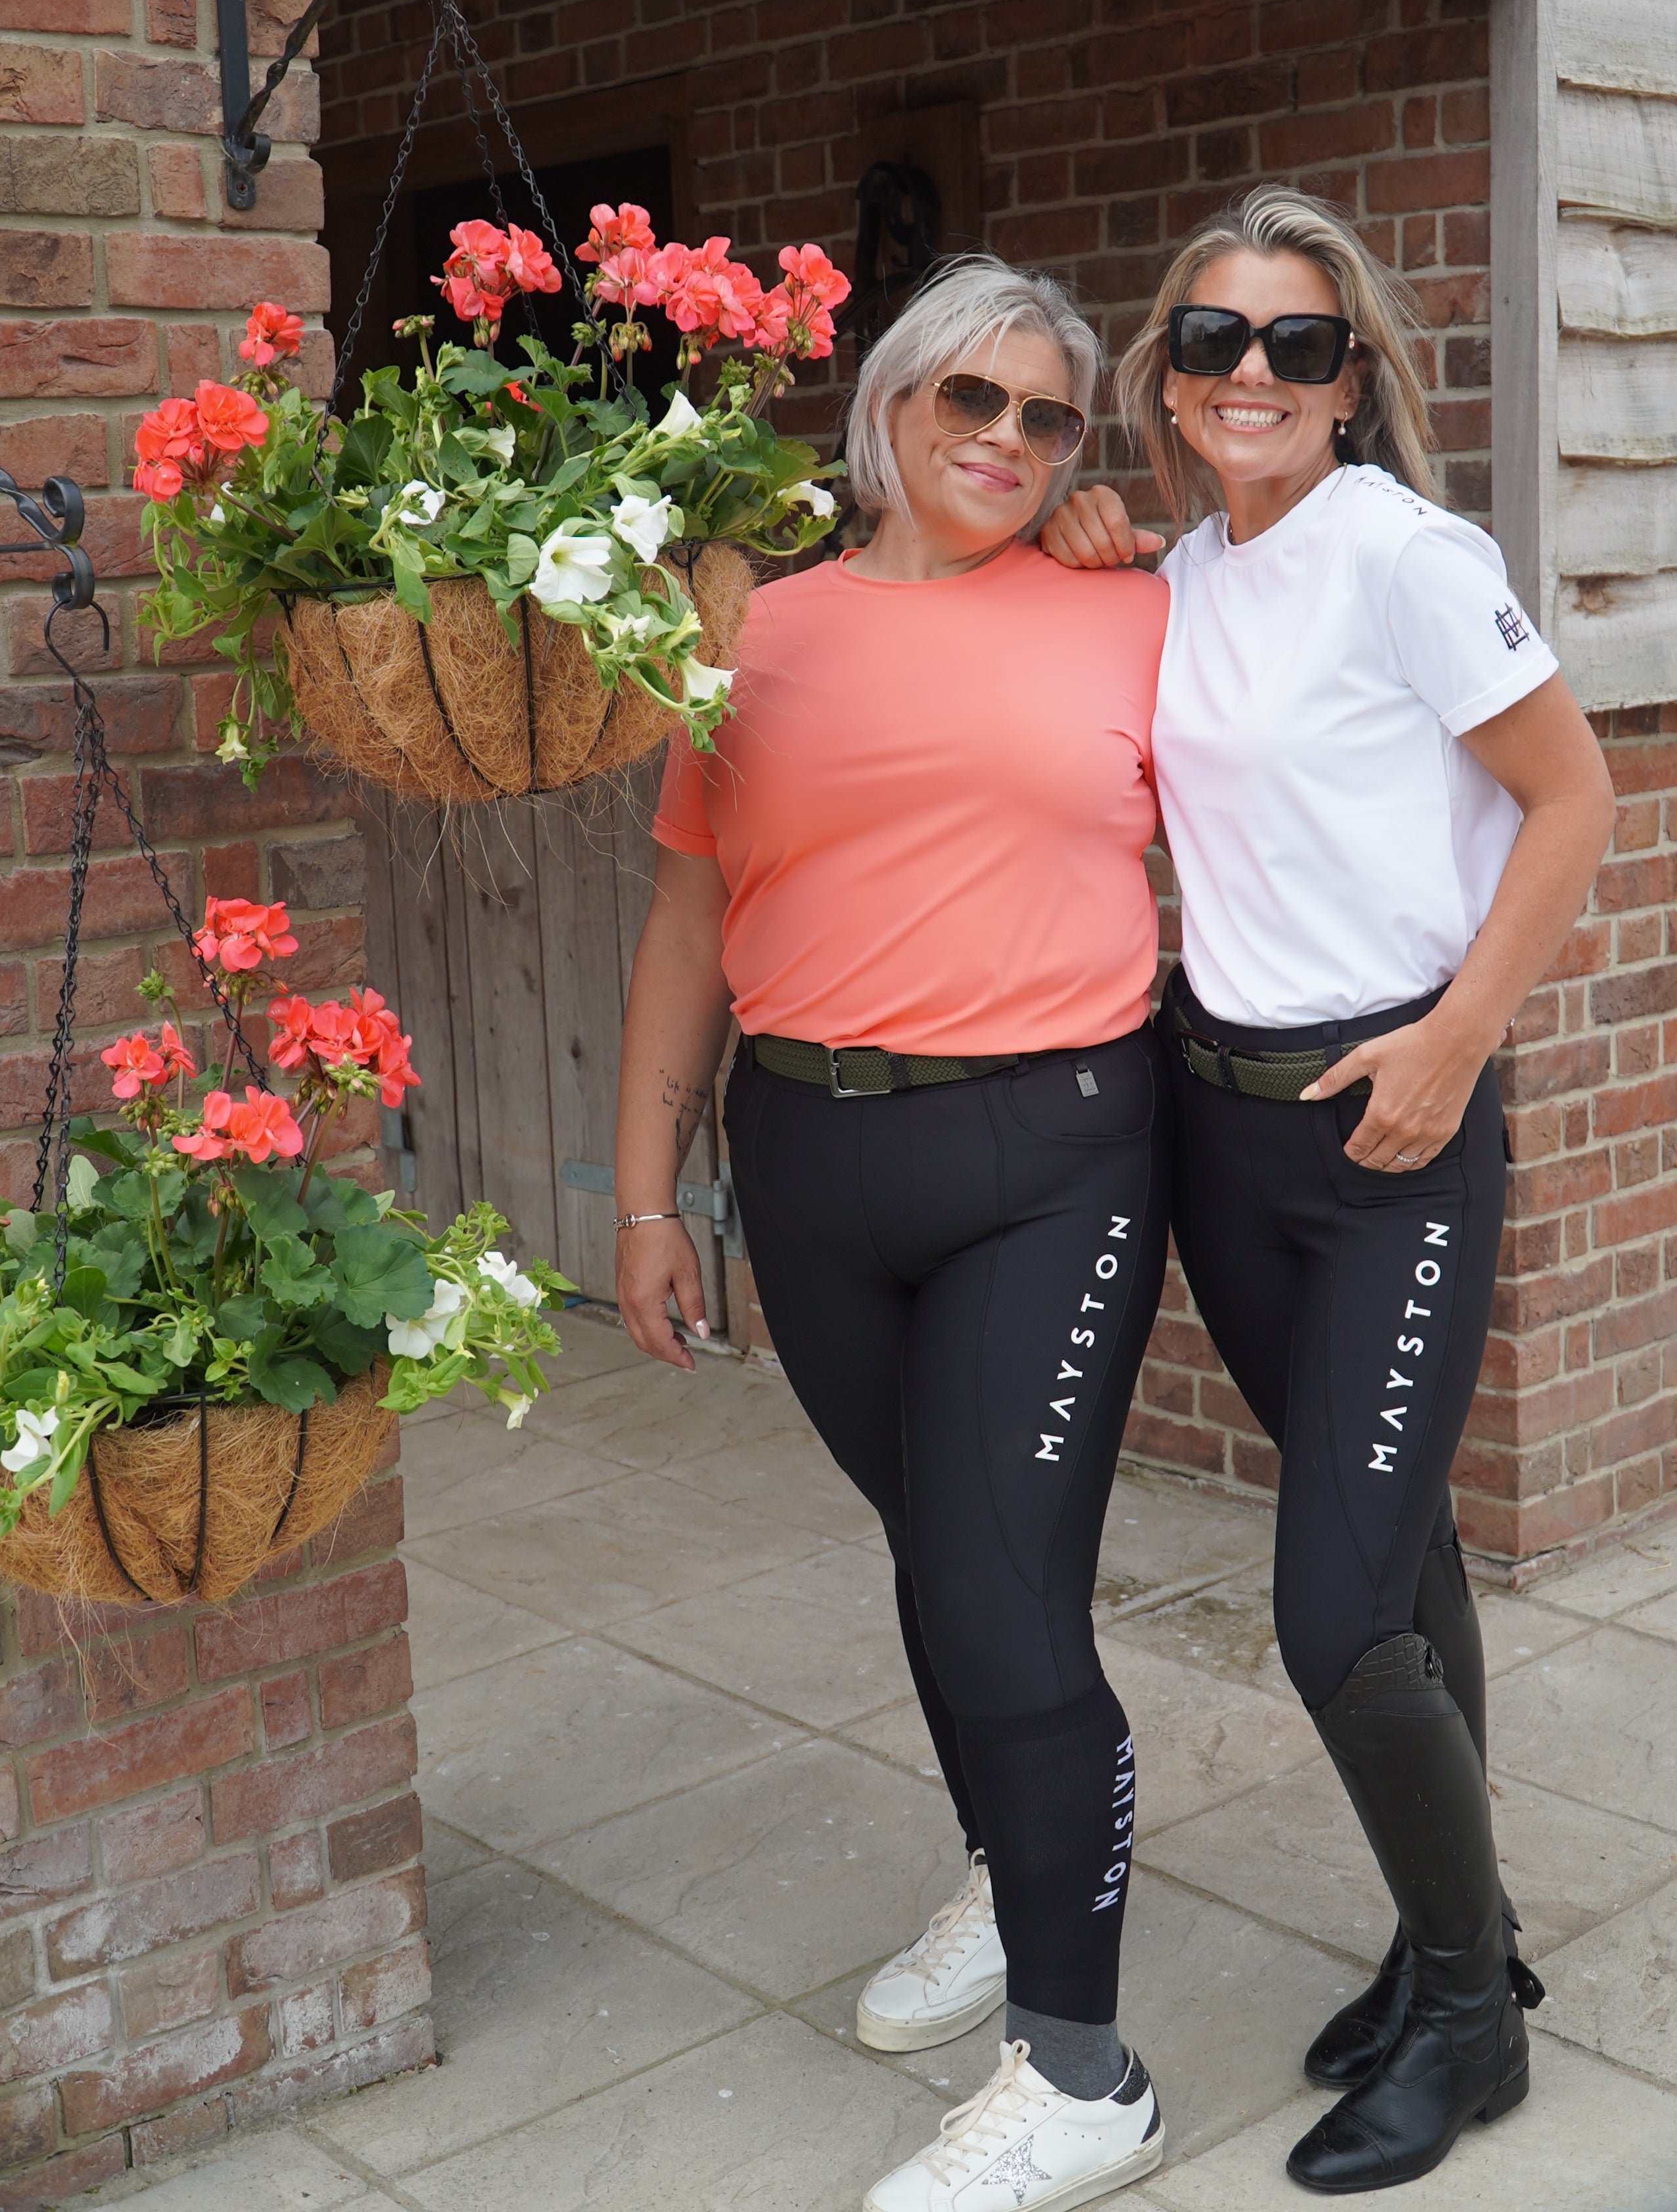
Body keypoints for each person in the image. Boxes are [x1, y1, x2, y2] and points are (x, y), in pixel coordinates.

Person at [1040, 184, 1616, 2193]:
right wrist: (1082, 541)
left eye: (1298, 342)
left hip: (1394, 1131)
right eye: (1215, 340)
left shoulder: (1409, 555)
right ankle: (1459, 1946)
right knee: (1403, 1562)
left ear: (1352, 377)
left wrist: (1459, 1044)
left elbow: (1578, 798)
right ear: (1169, 379)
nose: (1255, 374)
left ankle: (1470, 2020)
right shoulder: (1174, 571)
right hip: (1227, 1123)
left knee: (1336, 1608)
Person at [615, 258, 1171, 2209]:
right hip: (810, 1159)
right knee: (941, 1561)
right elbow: (690, 921)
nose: (1011, 444)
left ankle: (1085, 2073)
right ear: (889, 410)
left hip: (1055, 1150)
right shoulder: (757, 631)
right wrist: (642, 1190)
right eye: (973, 403)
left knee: (1004, 1596)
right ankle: (1015, 1877)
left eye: (1048, 418)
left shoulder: (1129, 607)